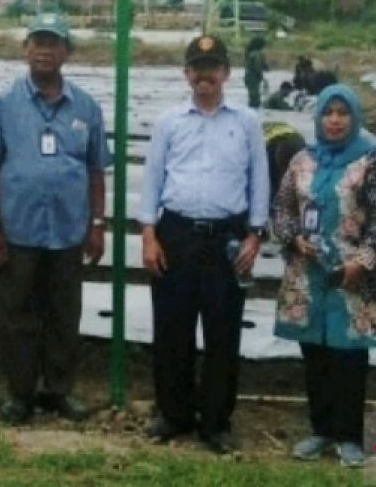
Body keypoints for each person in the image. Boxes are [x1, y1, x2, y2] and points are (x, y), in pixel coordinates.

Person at [0, 13, 111, 424]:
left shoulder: (86, 107)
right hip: (18, 230)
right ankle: (20, 395)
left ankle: (58, 391)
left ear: (67, 52)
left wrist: (97, 223)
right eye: (38, 42)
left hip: (68, 231)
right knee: (17, 316)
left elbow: (95, 169)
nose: (45, 50)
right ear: (25, 49)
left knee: (64, 315)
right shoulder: (2, 106)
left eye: (54, 43)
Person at [139, 34, 270, 455]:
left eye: (213, 68)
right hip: (176, 234)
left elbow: (259, 179)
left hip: (227, 238)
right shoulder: (169, 122)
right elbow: (153, 180)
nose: (205, 76)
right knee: (172, 328)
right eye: (197, 68)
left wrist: (255, 233)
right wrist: (149, 236)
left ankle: (216, 421)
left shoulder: (246, 121)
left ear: (226, 73)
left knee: (222, 331)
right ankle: (174, 414)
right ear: (187, 74)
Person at [271, 85, 376, 468]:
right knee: (316, 356)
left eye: (343, 113)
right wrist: (293, 237)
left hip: (352, 279)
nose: (335, 120)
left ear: (354, 118)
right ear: (319, 117)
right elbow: (282, 209)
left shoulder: (372, 161)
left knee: (349, 358)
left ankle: (350, 436)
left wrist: (361, 261)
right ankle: (321, 430)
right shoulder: (302, 161)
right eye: (329, 112)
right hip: (307, 276)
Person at [244, 35, 268, 109]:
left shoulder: (250, 53)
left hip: (248, 77)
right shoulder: (257, 54)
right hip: (253, 77)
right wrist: (262, 77)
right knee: (255, 99)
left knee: (252, 97)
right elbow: (257, 67)